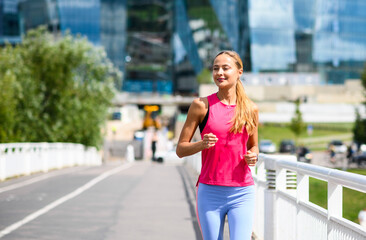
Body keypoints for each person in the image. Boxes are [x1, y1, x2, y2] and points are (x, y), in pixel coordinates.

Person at [176, 50, 259, 240]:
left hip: (242, 191)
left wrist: (253, 155)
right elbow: (180, 149)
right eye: (215, 68)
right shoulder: (201, 106)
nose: (219, 73)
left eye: (225, 68)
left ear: (239, 72)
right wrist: (202, 144)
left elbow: (253, 146)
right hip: (210, 191)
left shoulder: (250, 109)